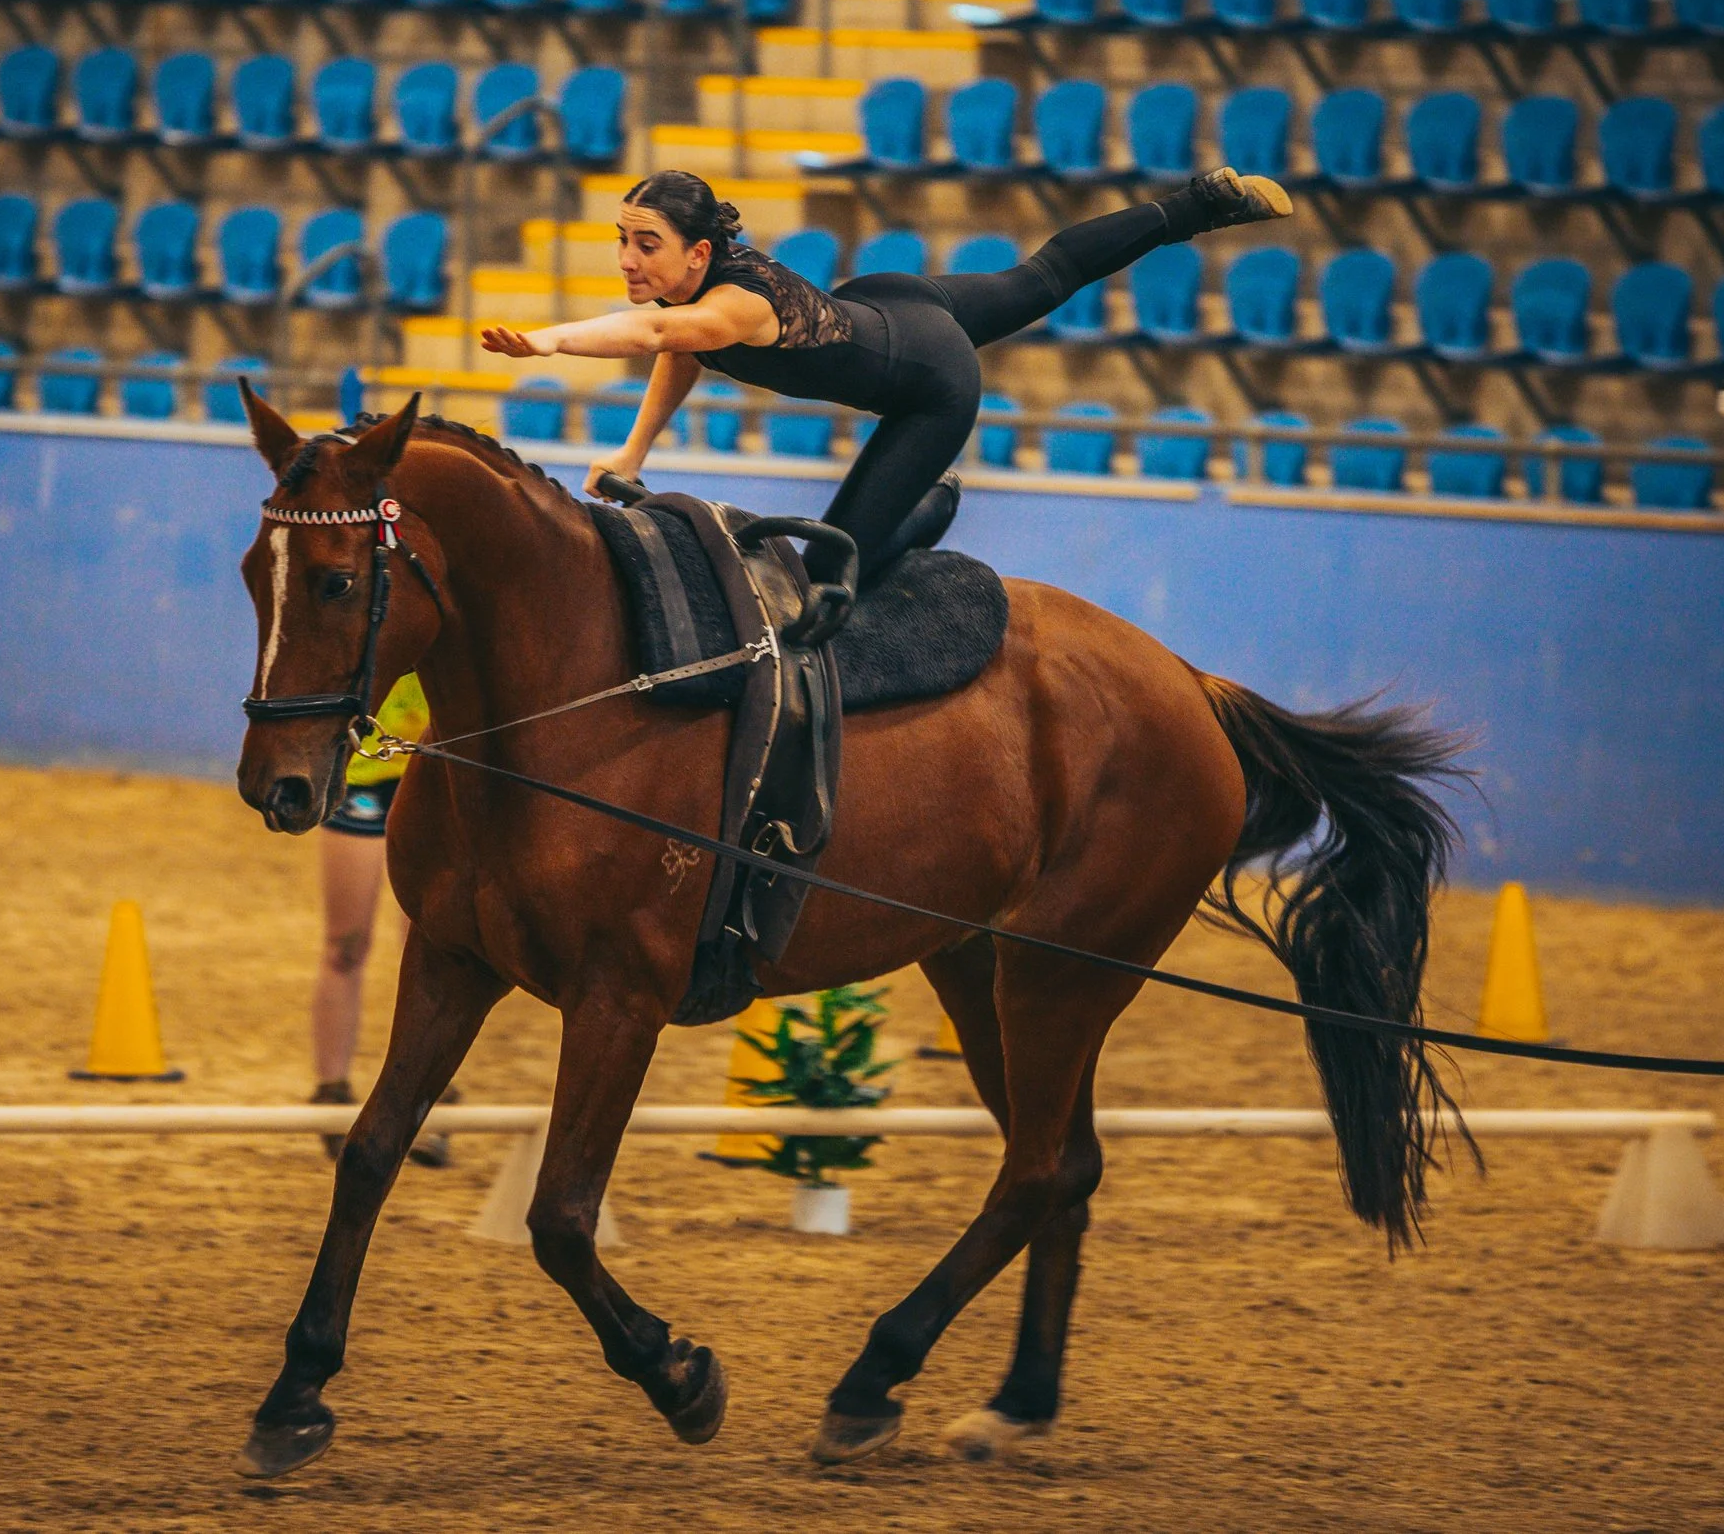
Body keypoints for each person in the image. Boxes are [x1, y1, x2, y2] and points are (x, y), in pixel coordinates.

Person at [477, 165, 1293, 577]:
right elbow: (675, 351)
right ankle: (1200, 201)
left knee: (830, 571)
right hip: (890, 305)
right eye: (621, 241)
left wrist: (548, 343)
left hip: (932, 383)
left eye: (643, 244)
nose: (626, 260)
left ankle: (929, 505)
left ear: (696, 252)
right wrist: (632, 454)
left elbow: (656, 332)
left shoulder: (735, 306)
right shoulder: (702, 295)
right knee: (1044, 276)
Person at [309, 667, 460, 1165]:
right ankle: (331, 1091)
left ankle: (428, 1098)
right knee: (346, 944)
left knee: (436, 949)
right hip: (364, 777)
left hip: (439, 774)